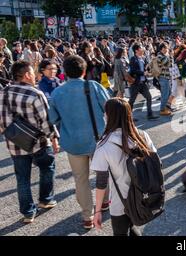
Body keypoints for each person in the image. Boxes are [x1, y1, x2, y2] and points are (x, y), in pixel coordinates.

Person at [48, 55, 110, 230]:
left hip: (73, 143)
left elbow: (52, 118)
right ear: (84, 71)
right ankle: (104, 202)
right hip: (97, 140)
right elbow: (109, 109)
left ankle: (87, 216)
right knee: (102, 174)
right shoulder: (93, 86)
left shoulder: (57, 93)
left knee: (80, 179)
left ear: (64, 72)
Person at [0, 61, 60, 223]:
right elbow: (46, 121)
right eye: (33, 73)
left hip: (15, 144)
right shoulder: (35, 94)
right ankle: (45, 199)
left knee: (22, 178)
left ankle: (28, 213)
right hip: (38, 142)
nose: (36, 75)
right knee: (47, 167)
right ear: (27, 75)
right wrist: (54, 139)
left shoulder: (3, 93)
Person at [92, 98, 157, 236]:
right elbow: (157, 163)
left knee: (121, 231)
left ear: (108, 116)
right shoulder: (142, 136)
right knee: (131, 226)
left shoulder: (104, 145)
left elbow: (101, 182)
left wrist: (97, 211)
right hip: (144, 195)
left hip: (120, 202)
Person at [128, 43, 158, 120]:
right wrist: (142, 73)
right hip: (135, 83)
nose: (142, 50)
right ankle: (128, 117)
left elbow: (145, 68)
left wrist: (148, 70)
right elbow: (133, 70)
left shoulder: (143, 58)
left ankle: (150, 114)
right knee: (131, 101)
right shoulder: (133, 59)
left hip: (143, 82)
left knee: (149, 97)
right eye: (141, 48)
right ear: (136, 50)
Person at [156, 43, 173, 116]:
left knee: (168, 93)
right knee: (165, 95)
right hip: (163, 77)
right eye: (165, 48)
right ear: (162, 49)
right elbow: (166, 63)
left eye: (167, 48)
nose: (167, 49)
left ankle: (166, 108)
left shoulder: (163, 56)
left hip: (166, 77)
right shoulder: (160, 56)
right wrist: (169, 55)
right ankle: (162, 110)